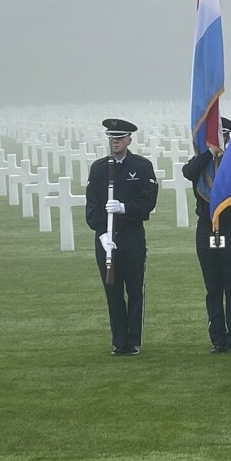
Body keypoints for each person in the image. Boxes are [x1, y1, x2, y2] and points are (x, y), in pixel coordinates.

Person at [183, 117, 231, 353]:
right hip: (206, 228)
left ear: (228, 138)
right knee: (213, 286)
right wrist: (208, 154)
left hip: (229, 227)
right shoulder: (201, 162)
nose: (220, 140)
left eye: (223, 136)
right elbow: (188, 172)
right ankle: (217, 337)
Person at [85, 118, 160, 356]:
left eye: (119, 138)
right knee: (113, 291)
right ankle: (119, 340)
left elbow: (148, 201)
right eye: (111, 138)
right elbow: (93, 207)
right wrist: (102, 234)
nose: (115, 142)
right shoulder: (99, 168)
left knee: (135, 289)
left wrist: (125, 208)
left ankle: (133, 340)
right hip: (106, 238)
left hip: (131, 236)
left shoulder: (141, 166)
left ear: (129, 139)